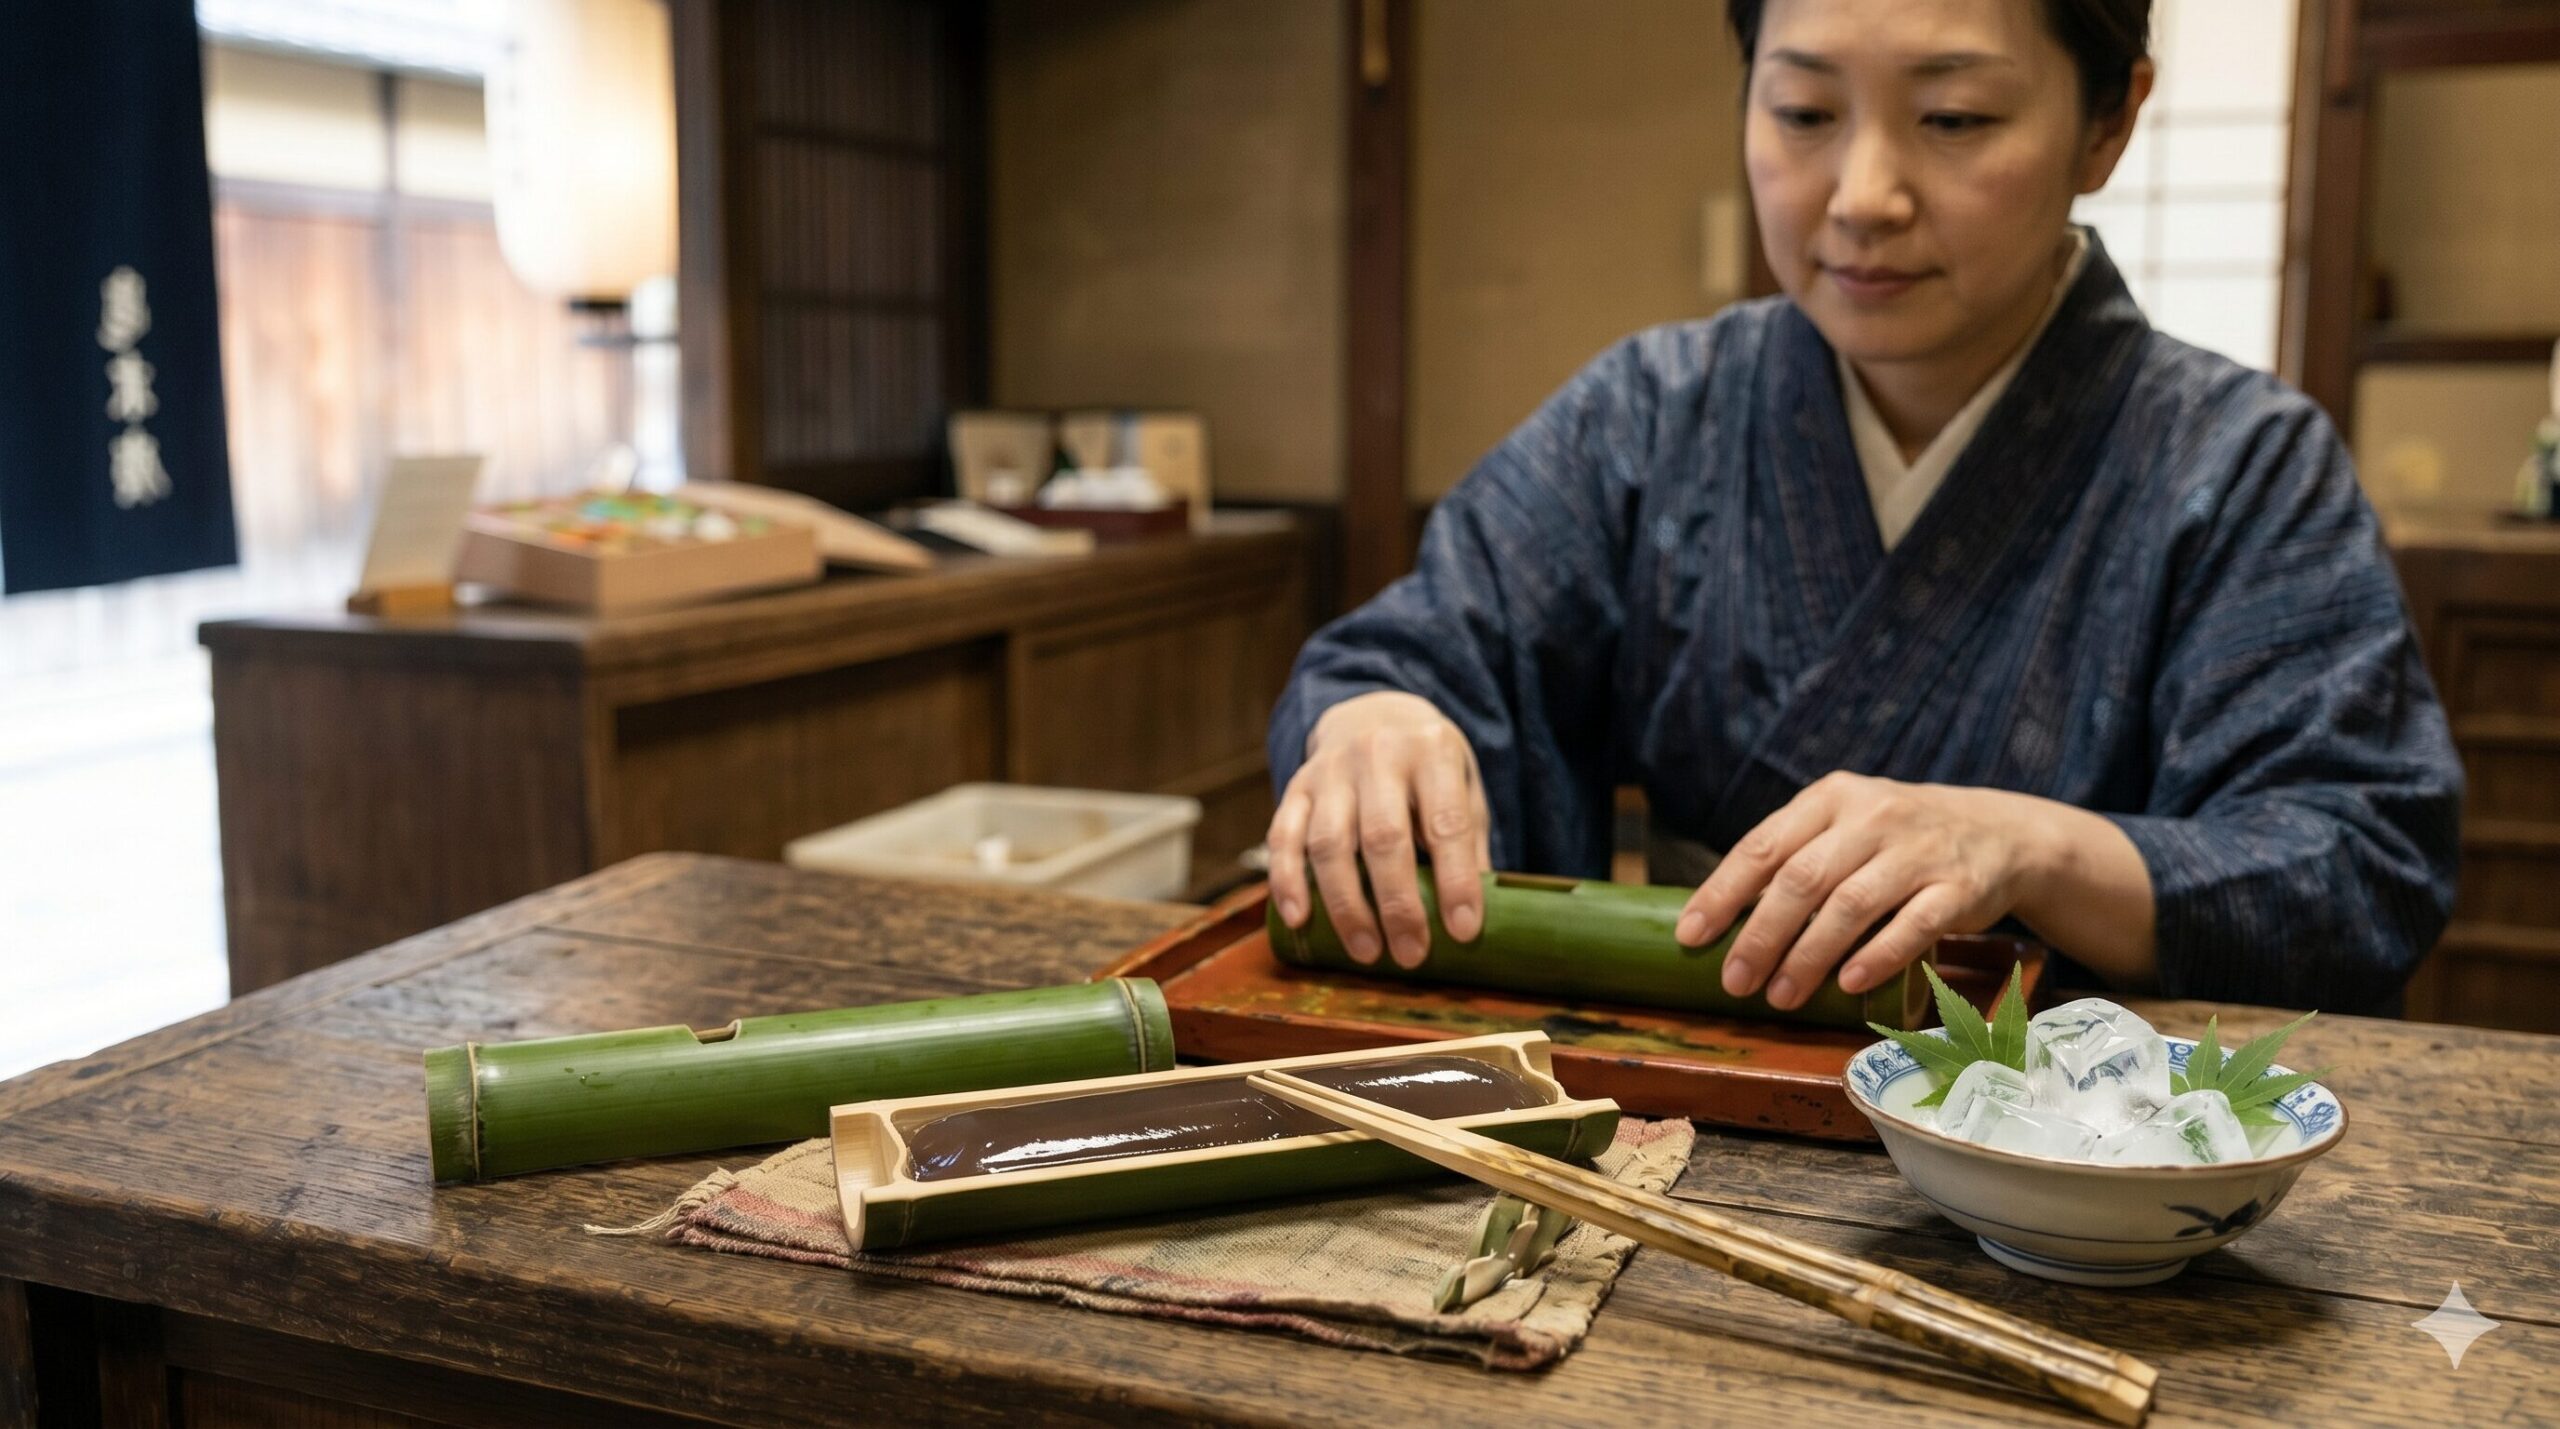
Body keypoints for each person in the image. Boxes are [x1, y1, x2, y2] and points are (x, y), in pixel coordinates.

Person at [1263, 0, 2461, 1015]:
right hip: (1673, 1111)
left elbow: (2353, 864)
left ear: (2108, 122)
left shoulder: (2240, 463)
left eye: (1954, 119)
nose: (1862, 195)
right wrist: (1375, 720)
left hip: (2070, 1163)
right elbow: (1424, 645)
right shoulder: (1652, 413)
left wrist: (2033, 848)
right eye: (1803, 113)